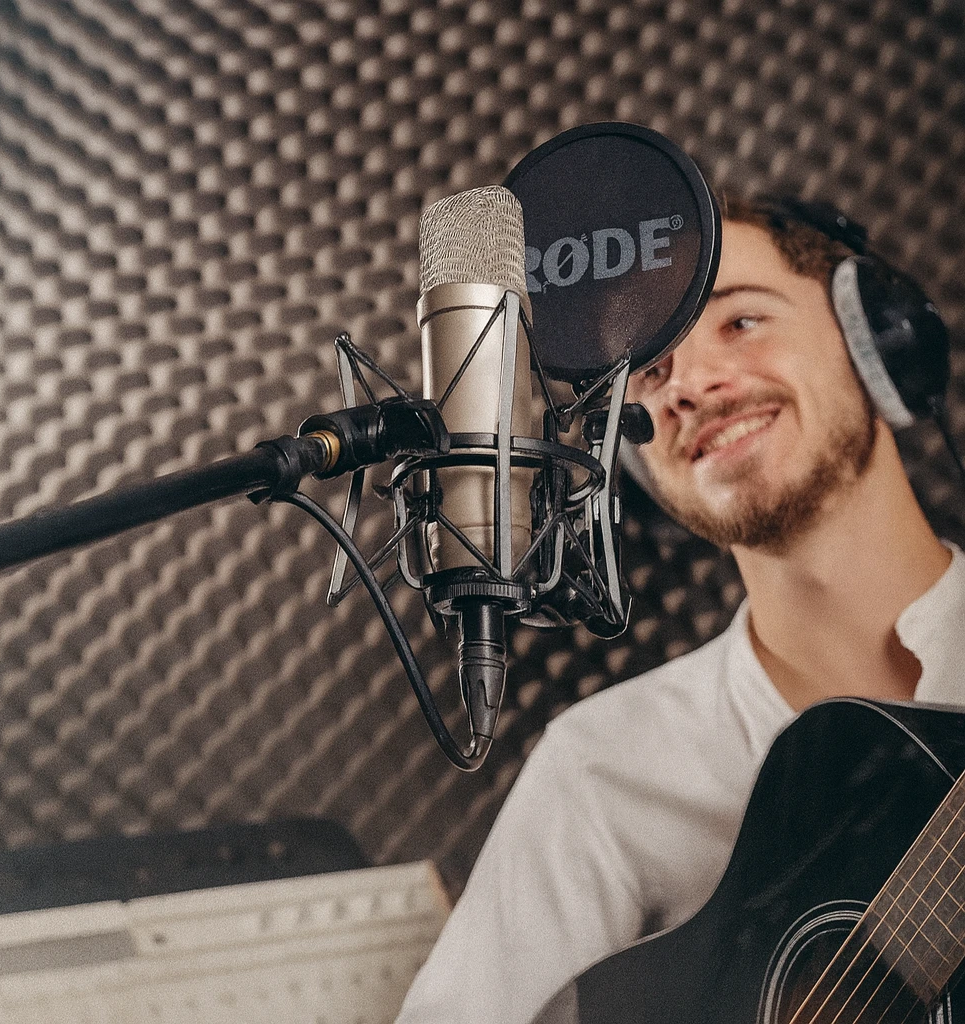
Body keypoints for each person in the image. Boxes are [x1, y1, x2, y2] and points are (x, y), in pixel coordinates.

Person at [394, 197, 965, 1024]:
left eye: (740, 322)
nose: (691, 385)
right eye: (650, 371)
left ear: (877, 340)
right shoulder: (603, 769)